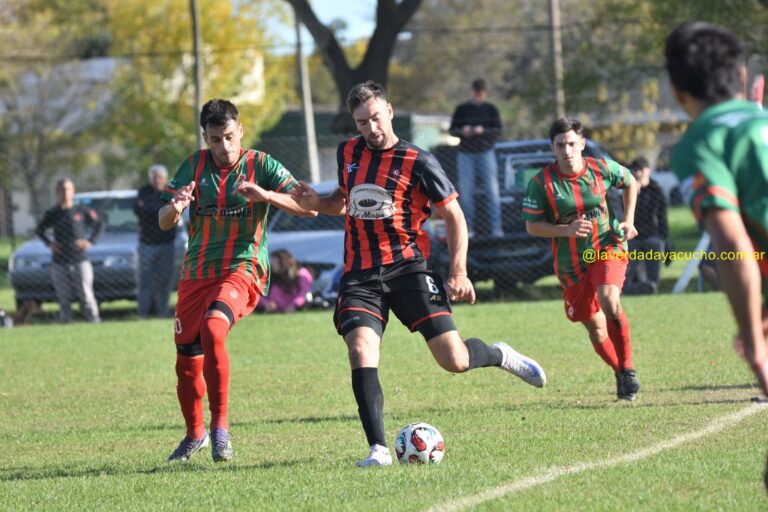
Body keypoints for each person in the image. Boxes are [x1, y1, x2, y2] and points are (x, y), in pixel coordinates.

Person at [291, 81, 546, 468]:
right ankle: (378, 448)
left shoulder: (419, 161)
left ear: (389, 111)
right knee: (360, 349)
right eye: (362, 122)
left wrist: (459, 271)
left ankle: (499, 354)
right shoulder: (348, 152)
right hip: (359, 274)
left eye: (376, 117)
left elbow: (455, 215)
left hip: (408, 268)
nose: (371, 128)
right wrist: (315, 202)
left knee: (454, 360)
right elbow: (342, 204)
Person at [159, 99, 314, 463]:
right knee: (186, 360)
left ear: (240, 131)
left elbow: (306, 205)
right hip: (196, 273)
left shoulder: (261, 164)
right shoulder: (194, 166)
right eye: (215, 139)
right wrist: (176, 208)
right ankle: (193, 434)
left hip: (242, 268)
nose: (224, 147)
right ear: (205, 138)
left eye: (229, 137)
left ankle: (220, 429)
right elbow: (163, 220)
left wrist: (267, 196)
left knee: (214, 329)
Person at [665, 22, 768, 477]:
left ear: (677, 91)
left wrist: (754, 341)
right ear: (742, 76)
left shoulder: (700, 141)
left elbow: (733, 246)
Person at [522, 117, 641, 400]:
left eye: (572, 144)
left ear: (582, 144)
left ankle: (628, 368)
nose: (567, 150)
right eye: (560, 145)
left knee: (609, 299)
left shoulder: (600, 168)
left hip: (606, 247)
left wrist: (628, 220)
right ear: (552, 147)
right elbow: (532, 226)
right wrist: (566, 229)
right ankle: (620, 373)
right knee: (596, 327)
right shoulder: (541, 183)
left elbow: (630, 182)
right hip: (570, 265)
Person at [36, 178, 104, 323]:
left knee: (85, 294)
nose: (65, 193)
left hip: (79, 259)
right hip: (60, 260)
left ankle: (93, 320)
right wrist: (50, 244)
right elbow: (39, 230)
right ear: (57, 193)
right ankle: (66, 321)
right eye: (61, 190)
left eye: (68, 189)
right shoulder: (52, 213)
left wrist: (90, 241)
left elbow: (100, 224)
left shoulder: (81, 210)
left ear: (73, 191)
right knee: (63, 295)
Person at [449, 78, 504, 238]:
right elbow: (452, 130)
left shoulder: (490, 109)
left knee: (492, 190)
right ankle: (468, 228)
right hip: (466, 154)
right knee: (466, 192)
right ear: (472, 91)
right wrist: (463, 131)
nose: (478, 96)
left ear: (484, 93)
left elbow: (498, 130)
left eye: (481, 93)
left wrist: (483, 131)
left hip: (486, 152)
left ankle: (496, 228)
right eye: (476, 92)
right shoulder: (462, 109)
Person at [134, 164, 176, 318]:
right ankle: (142, 314)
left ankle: (162, 313)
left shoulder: (171, 191)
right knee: (145, 281)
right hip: (147, 243)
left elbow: (174, 211)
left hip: (167, 243)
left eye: (160, 177)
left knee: (164, 281)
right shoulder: (143, 192)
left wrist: (154, 209)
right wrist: (162, 209)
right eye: (155, 177)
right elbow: (139, 210)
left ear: (165, 179)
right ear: (150, 178)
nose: (157, 180)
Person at [625, 156, 669, 295]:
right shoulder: (627, 190)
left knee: (655, 245)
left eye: (641, 170)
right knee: (629, 248)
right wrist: (633, 192)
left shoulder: (656, 190)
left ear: (648, 171)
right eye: (635, 170)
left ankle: (652, 286)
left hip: (651, 235)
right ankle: (627, 287)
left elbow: (662, 218)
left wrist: (665, 238)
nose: (638, 173)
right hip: (632, 237)